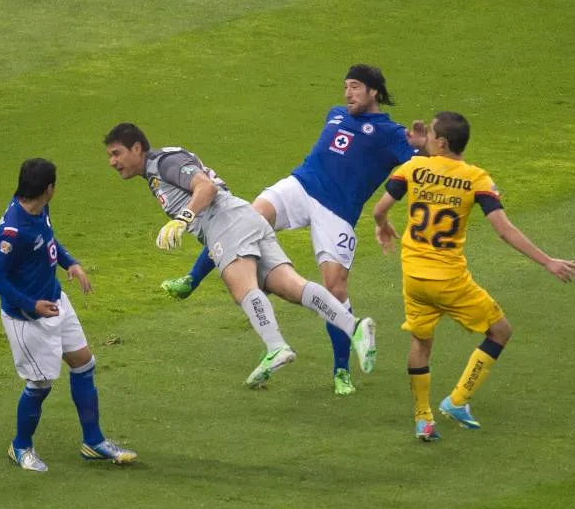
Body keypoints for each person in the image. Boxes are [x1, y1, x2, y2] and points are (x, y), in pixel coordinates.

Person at [161, 64, 427, 395]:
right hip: (300, 186)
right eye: (346, 86)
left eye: (355, 87)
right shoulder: (336, 114)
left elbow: (425, 164)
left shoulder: (390, 133)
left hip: (338, 210)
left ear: (374, 91)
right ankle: (191, 279)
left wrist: (422, 144)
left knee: (335, 288)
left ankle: (341, 370)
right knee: (245, 218)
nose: (348, 93)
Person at [105, 123, 376, 389]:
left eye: (116, 153)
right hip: (242, 218)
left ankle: (276, 346)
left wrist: (183, 218)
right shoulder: (157, 168)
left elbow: (206, 188)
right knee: (291, 286)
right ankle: (354, 327)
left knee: (243, 288)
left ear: (137, 147)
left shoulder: (164, 162)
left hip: (224, 221)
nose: (112, 162)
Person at [371, 111, 575, 441]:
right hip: (450, 282)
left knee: (420, 342)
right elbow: (503, 230)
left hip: (414, 277)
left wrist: (383, 228)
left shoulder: (411, 169)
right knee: (500, 331)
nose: (424, 136)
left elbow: (379, 210)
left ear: (441, 143)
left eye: (430, 134)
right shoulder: (476, 179)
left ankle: (423, 419)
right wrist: (546, 261)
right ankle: (458, 399)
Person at [0, 158, 137, 472]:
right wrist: (31, 304)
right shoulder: (13, 232)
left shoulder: (38, 208)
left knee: (84, 364)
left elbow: (49, 242)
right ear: (49, 189)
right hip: (27, 318)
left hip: (56, 302)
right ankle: (21, 446)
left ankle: (93, 442)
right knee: (39, 385)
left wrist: (70, 263)